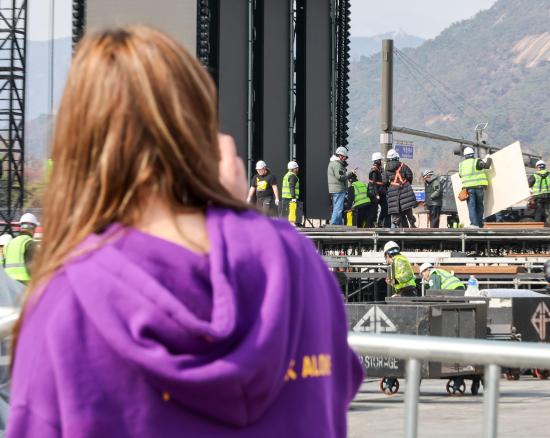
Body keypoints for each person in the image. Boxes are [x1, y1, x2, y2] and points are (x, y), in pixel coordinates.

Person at [8, 27, 363, 437]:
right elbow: (337, 387)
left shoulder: (67, 304)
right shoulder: (295, 262)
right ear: (201, 126)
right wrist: (237, 214)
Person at [458, 147, 492, 228]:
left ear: (465, 156)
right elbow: (487, 166)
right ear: (473, 154)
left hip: (469, 189)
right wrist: (489, 158)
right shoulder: (477, 161)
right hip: (479, 187)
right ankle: (480, 224)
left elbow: (460, 175)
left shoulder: (461, 164)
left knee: (471, 206)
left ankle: (474, 224)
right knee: (480, 206)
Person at [384, 149, 417, 228]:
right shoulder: (403, 165)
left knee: (396, 209)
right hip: (405, 188)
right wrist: (407, 183)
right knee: (407, 208)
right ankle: (412, 223)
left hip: (393, 190)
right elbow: (409, 175)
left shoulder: (386, 168)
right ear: (397, 157)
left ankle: (396, 225)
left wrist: (390, 186)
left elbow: (384, 181)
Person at [2, 213, 38, 284]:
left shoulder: (8, 244)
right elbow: (31, 266)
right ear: (33, 228)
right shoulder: (29, 243)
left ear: (21, 227)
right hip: (24, 283)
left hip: (9, 284)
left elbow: (2, 265)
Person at [327, 146, 351, 225]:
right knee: (338, 208)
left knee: (337, 207)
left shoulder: (333, 163)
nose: (345, 159)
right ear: (340, 156)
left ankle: (339, 224)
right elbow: (340, 177)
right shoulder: (337, 164)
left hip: (335, 189)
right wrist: (349, 174)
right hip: (339, 189)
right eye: (344, 157)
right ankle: (334, 223)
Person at [369, 152, 389, 227]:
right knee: (374, 208)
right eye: (380, 160)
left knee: (385, 207)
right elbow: (374, 183)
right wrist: (377, 194)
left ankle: (380, 221)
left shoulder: (379, 169)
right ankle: (374, 223)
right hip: (375, 192)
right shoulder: (374, 170)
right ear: (377, 161)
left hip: (380, 191)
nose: (381, 161)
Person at [281, 161, 302, 226]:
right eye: (297, 168)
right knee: (292, 210)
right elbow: (291, 186)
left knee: (286, 211)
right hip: (290, 197)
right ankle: (291, 223)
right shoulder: (293, 176)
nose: (297, 169)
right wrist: (293, 197)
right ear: (294, 168)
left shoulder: (286, 175)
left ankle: (285, 223)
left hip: (285, 196)